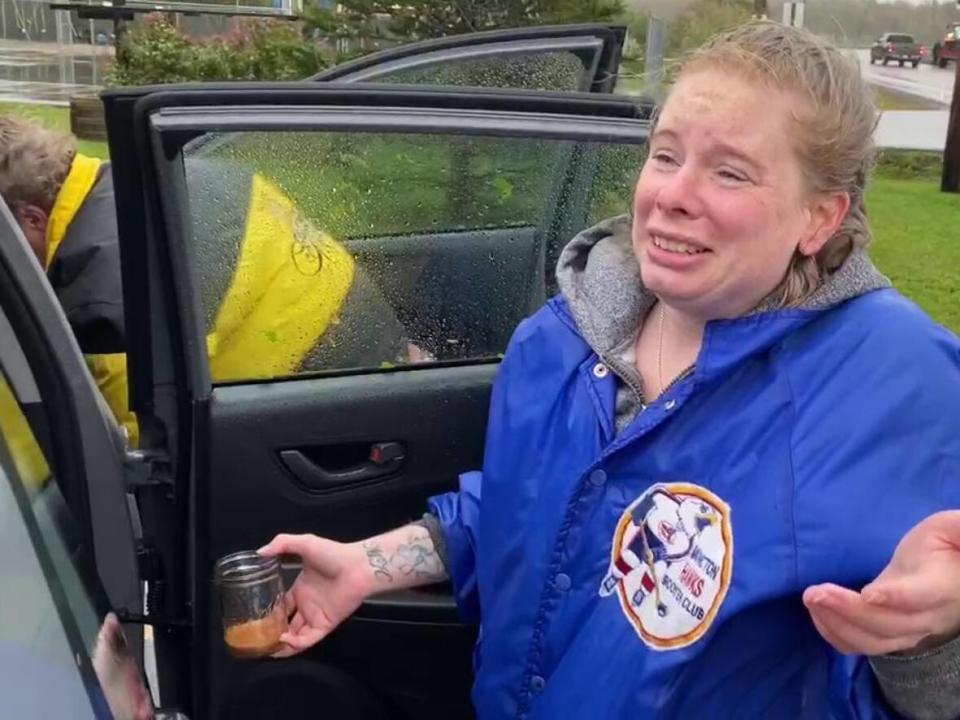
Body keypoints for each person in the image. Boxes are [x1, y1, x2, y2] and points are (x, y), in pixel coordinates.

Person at [259, 22, 960, 718]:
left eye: (729, 171)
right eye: (666, 156)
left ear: (819, 218)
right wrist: (370, 565)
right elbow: (530, 509)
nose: (674, 195)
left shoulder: (902, 386)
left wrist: (936, 637)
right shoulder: (562, 338)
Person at [0, 115, 420, 464]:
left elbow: (137, 454)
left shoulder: (105, 301)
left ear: (33, 218)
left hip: (325, 433)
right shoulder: (173, 176)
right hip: (379, 366)